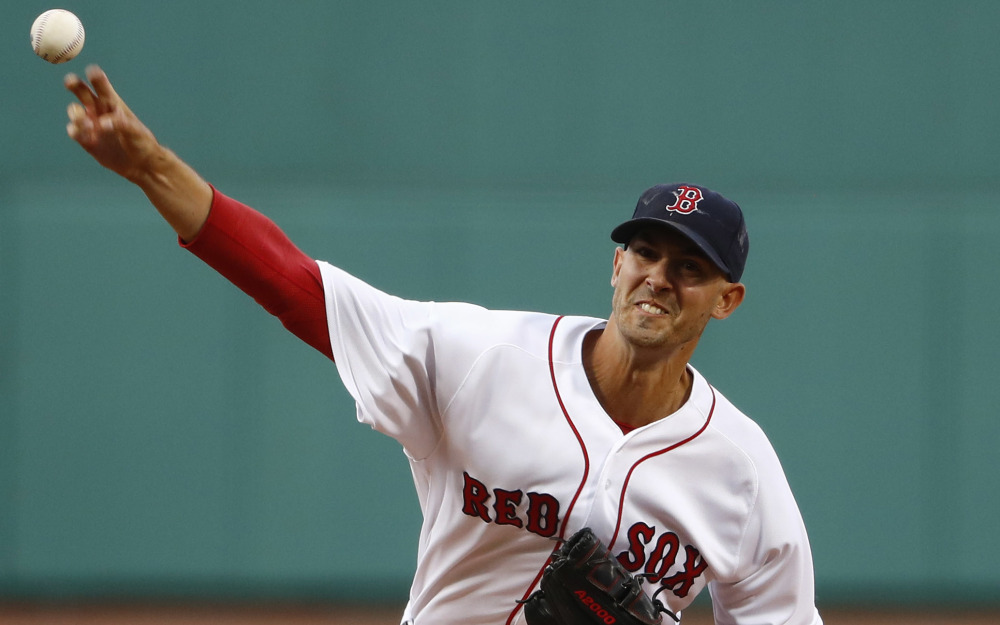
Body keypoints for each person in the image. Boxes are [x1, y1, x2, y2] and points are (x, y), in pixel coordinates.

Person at [63, 65, 823, 625]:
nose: (659, 278)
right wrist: (150, 166)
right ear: (616, 263)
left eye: (688, 268)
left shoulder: (743, 469)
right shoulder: (482, 357)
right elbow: (296, 289)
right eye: (646, 255)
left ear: (727, 301)